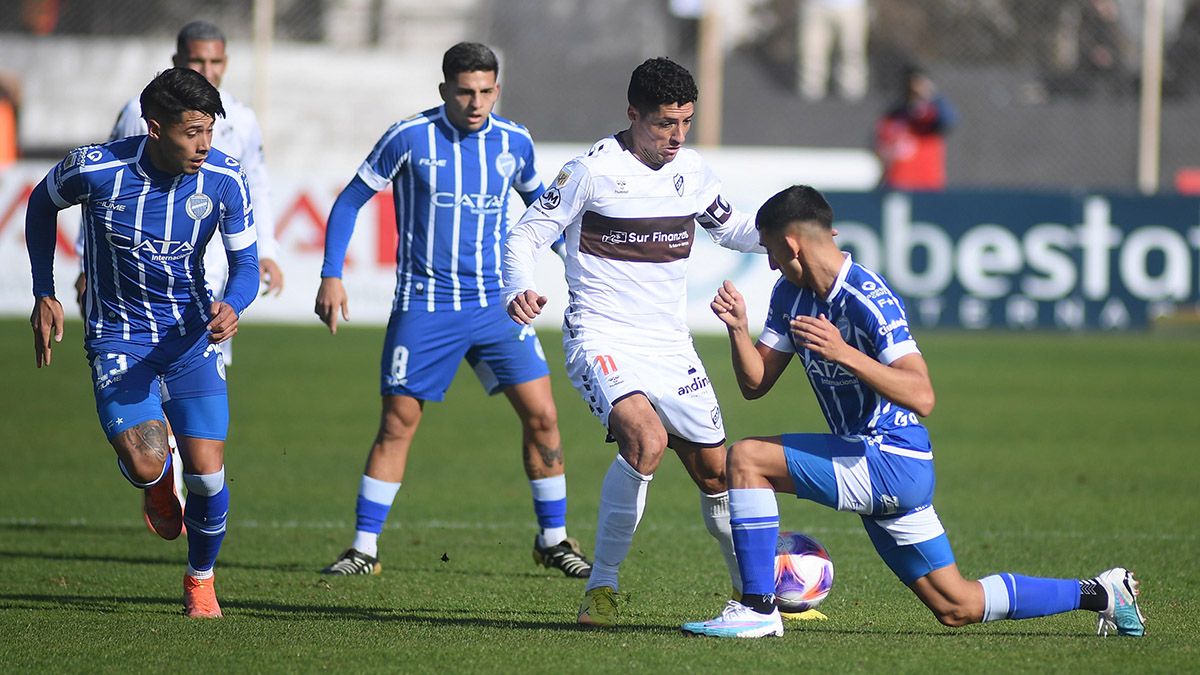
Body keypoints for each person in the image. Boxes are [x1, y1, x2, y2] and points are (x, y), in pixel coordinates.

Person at [680, 185, 1146, 638]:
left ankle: (757, 607)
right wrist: (739, 330)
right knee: (956, 604)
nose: (768, 260)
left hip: (889, 458)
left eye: (768, 249)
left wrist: (846, 354)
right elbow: (755, 384)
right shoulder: (789, 295)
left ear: (790, 244)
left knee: (744, 459)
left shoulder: (868, 297)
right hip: (870, 461)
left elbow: (922, 395)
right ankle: (1104, 593)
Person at [314, 42, 592, 579]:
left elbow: (544, 215)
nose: (476, 101)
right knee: (398, 424)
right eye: (465, 91)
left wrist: (583, 271)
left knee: (544, 416)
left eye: (486, 91)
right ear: (444, 89)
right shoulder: (408, 137)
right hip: (426, 307)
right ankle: (363, 549)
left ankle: (554, 541)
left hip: (496, 306)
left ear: (497, 89)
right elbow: (349, 200)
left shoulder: (515, 142)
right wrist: (331, 274)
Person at [503, 57, 764, 627]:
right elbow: (526, 235)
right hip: (601, 336)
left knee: (717, 473)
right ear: (633, 114)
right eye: (665, 123)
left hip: (670, 344)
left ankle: (755, 597)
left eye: (686, 122)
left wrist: (789, 228)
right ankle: (602, 588)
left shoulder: (691, 172)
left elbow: (733, 229)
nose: (677, 137)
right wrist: (518, 284)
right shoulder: (591, 173)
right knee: (644, 440)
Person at [25, 67, 259, 618]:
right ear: (155, 128)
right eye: (192, 132)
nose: (204, 145)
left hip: (190, 340)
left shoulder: (225, 178)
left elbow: (246, 263)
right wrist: (44, 291)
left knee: (206, 474)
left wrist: (234, 303)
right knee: (147, 462)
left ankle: (200, 578)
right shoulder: (97, 168)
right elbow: (40, 204)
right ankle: (155, 483)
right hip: (118, 339)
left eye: (209, 131)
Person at [73, 19, 284, 522]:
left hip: (206, 283)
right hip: (135, 282)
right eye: (197, 61)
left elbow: (257, 184)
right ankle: (160, 476)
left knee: (200, 414)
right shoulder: (138, 112)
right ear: (176, 59)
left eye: (216, 62)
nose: (207, 70)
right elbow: (100, 192)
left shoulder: (243, 120)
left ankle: (185, 484)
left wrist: (266, 250)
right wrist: (86, 262)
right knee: (152, 431)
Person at [874, 65, 957, 191]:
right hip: (897, 185)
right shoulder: (894, 116)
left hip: (927, 185)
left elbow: (949, 120)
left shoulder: (930, 115)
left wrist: (932, 95)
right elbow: (881, 147)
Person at [797, 0, 869, 101]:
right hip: (816, 6)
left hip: (851, 6)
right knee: (812, 52)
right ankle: (811, 88)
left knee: (852, 51)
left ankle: (852, 89)